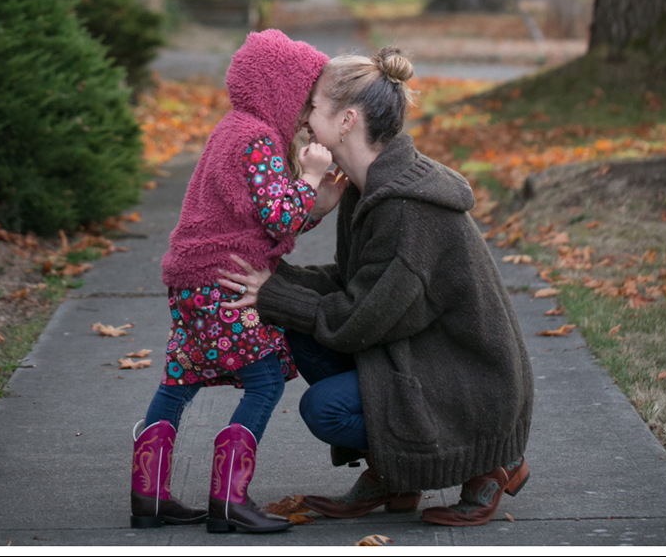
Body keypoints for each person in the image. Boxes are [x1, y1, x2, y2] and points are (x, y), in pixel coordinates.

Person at [219, 47, 534, 528]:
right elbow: (354, 283)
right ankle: (397, 474)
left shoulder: (407, 209)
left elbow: (357, 318)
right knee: (300, 328)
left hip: (470, 385)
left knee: (325, 409)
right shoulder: (369, 187)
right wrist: (270, 278)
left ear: (347, 120)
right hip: (420, 351)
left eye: (312, 106)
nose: (302, 119)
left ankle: (489, 464)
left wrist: (273, 294)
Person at [130, 28, 346, 534]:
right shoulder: (259, 139)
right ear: (280, 90)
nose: (305, 115)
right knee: (264, 381)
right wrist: (311, 178)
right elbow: (278, 216)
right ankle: (229, 500)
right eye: (305, 100)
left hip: (192, 280)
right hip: (224, 282)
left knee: (180, 377)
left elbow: (261, 220)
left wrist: (315, 210)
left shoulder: (232, 129)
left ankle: (148, 496)